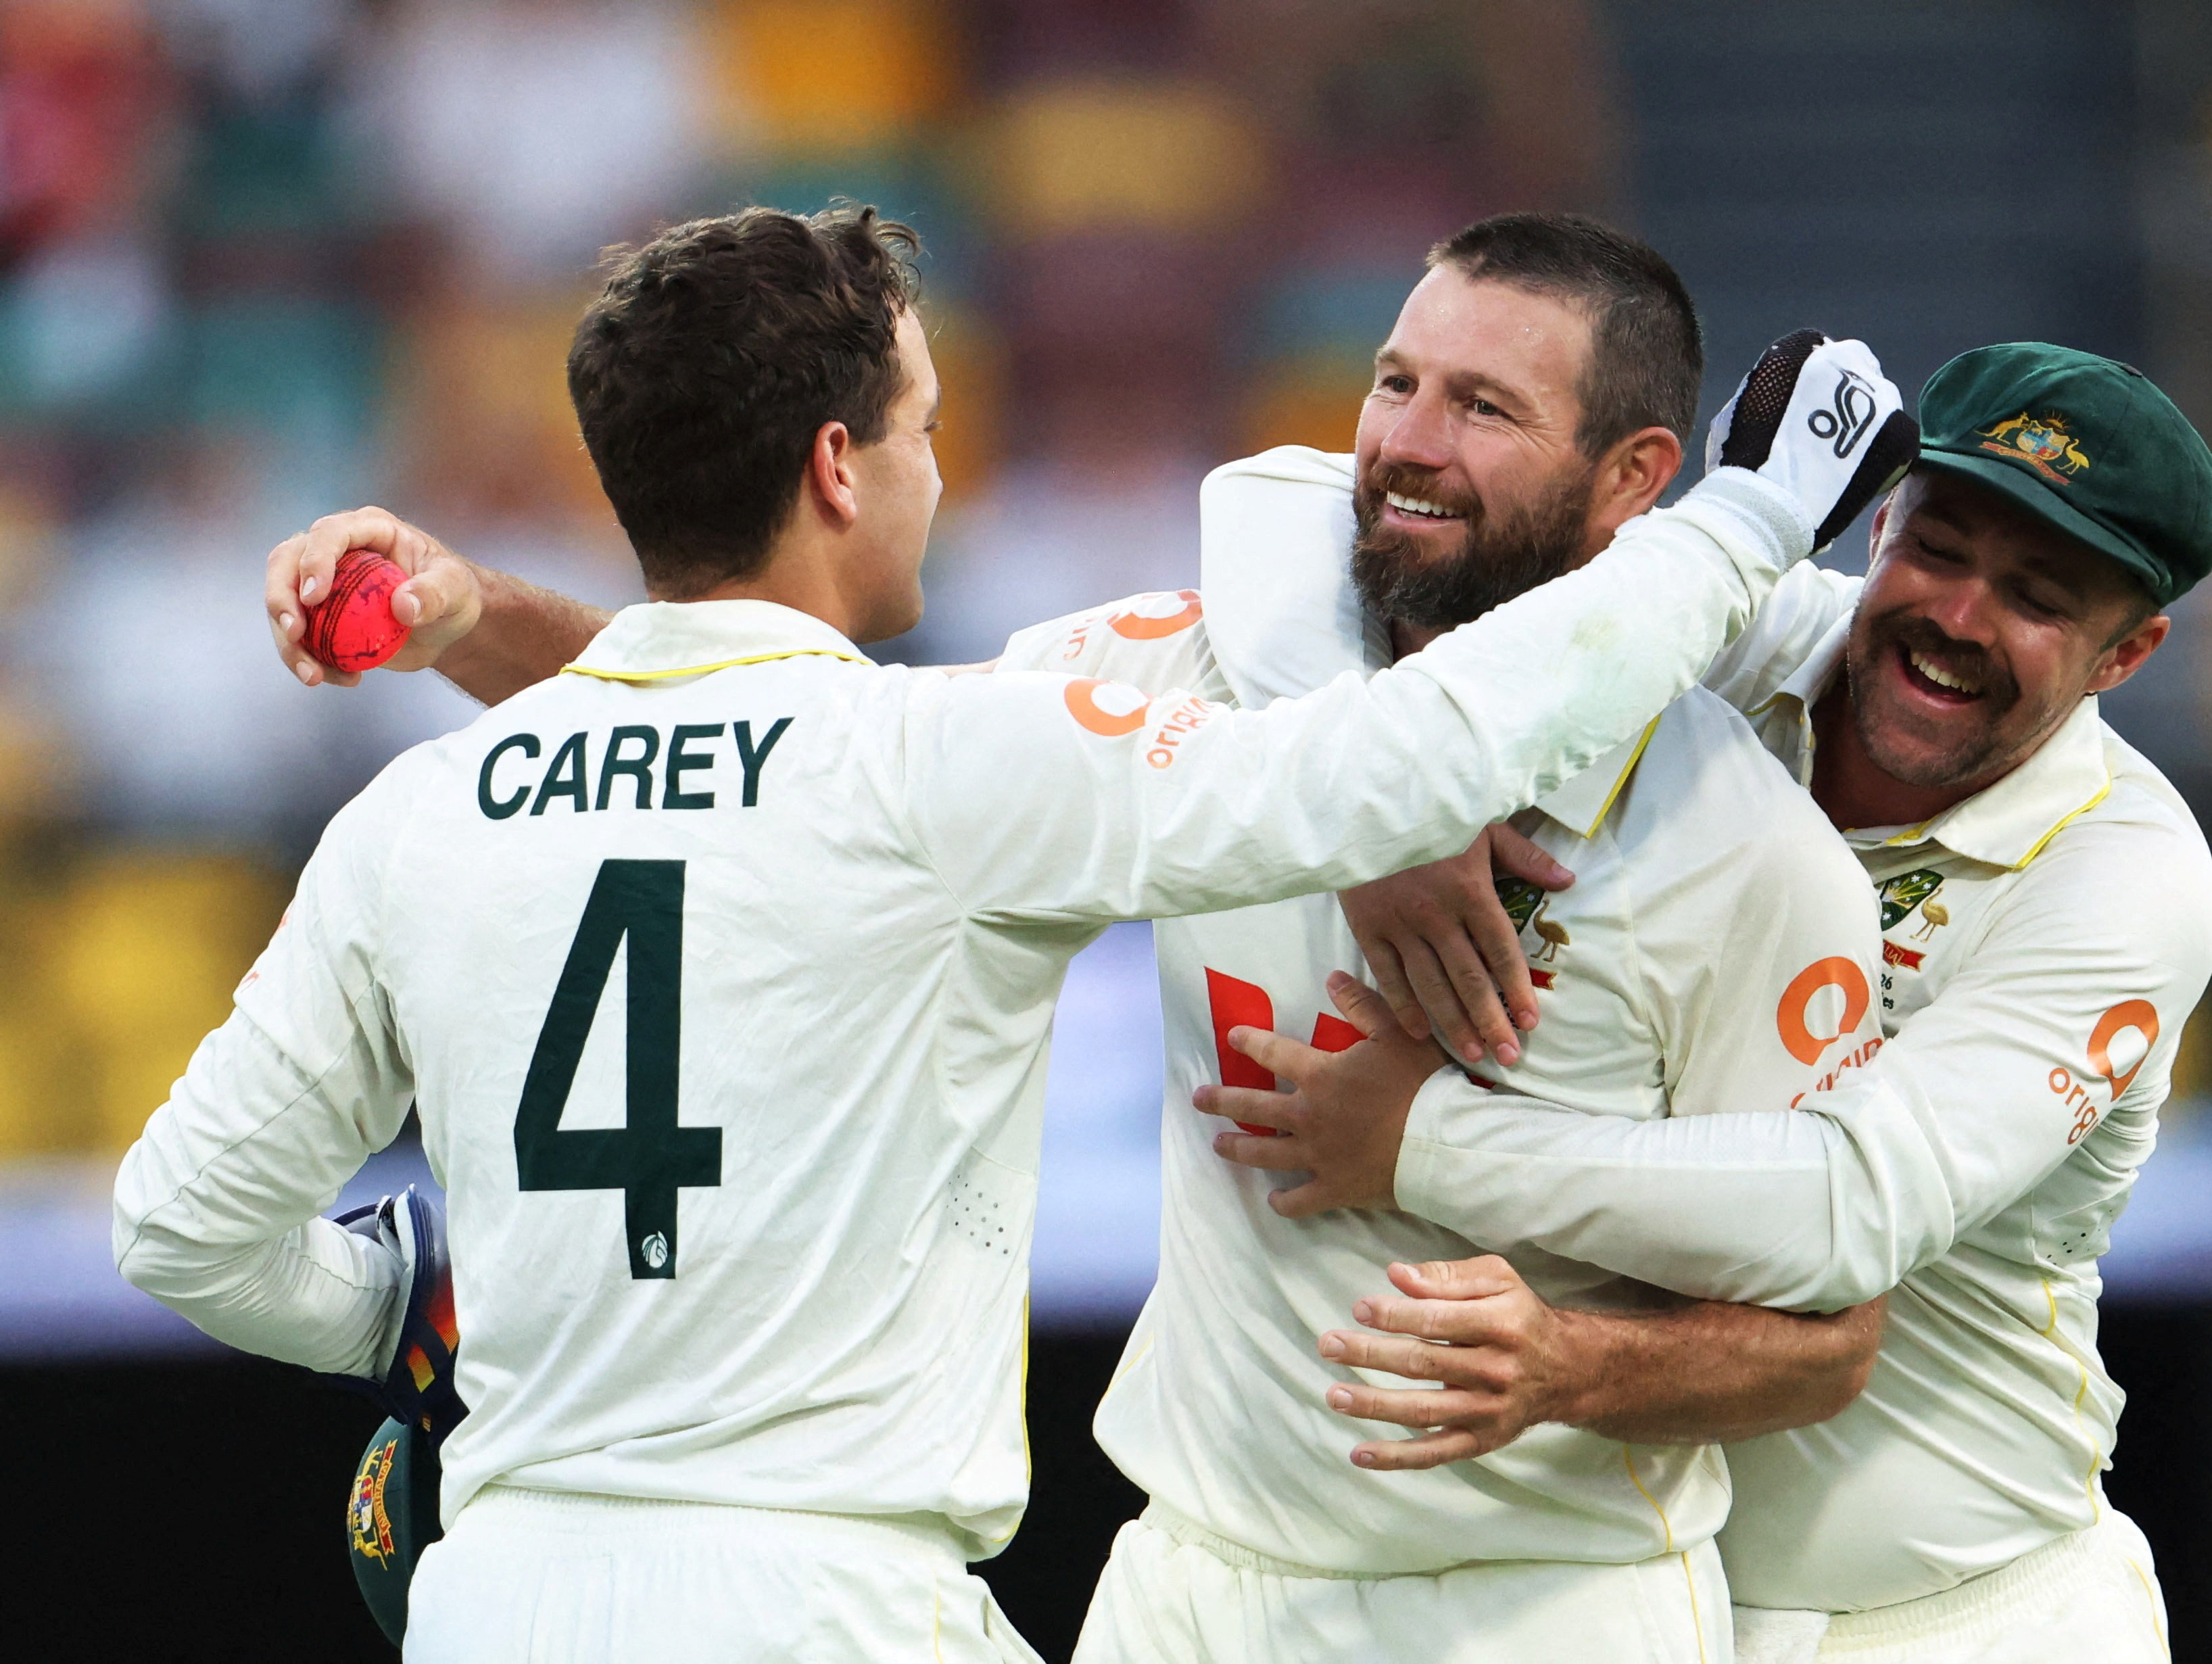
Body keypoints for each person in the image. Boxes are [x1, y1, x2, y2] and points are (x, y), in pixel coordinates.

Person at [128, 203, 1896, 1662]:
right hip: (838, 1600)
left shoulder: (419, 814)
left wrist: (403, 1308)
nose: (938, 472)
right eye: (918, 426)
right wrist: (1746, 517)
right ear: (836, 466)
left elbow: (182, 1224)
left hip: (500, 1595)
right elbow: (1388, 761)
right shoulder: (948, 765)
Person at [1211, 341, 2212, 1664]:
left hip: (1959, 1621)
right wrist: (1382, 800)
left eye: (2038, 596)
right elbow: (1272, 506)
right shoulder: (1738, 629)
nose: (1960, 618)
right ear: (1880, 523)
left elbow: (1847, 1208)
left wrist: (1417, 1142)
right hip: (1627, 1605)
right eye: (1941, 549)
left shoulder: (2125, 875)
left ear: (2127, 653)